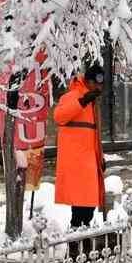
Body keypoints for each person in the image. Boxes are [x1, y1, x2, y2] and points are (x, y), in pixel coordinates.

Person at [53, 63, 108, 245]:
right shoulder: (73, 96)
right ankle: (75, 242)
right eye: (96, 84)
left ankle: (82, 239)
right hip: (76, 161)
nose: (99, 88)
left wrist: (100, 157)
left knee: (89, 204)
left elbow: (94, 134)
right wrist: (82, 101)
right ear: (88, 81)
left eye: (101, 85)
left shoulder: (93, 101)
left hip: (89, 160)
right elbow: (59, 116)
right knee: (80, 205)